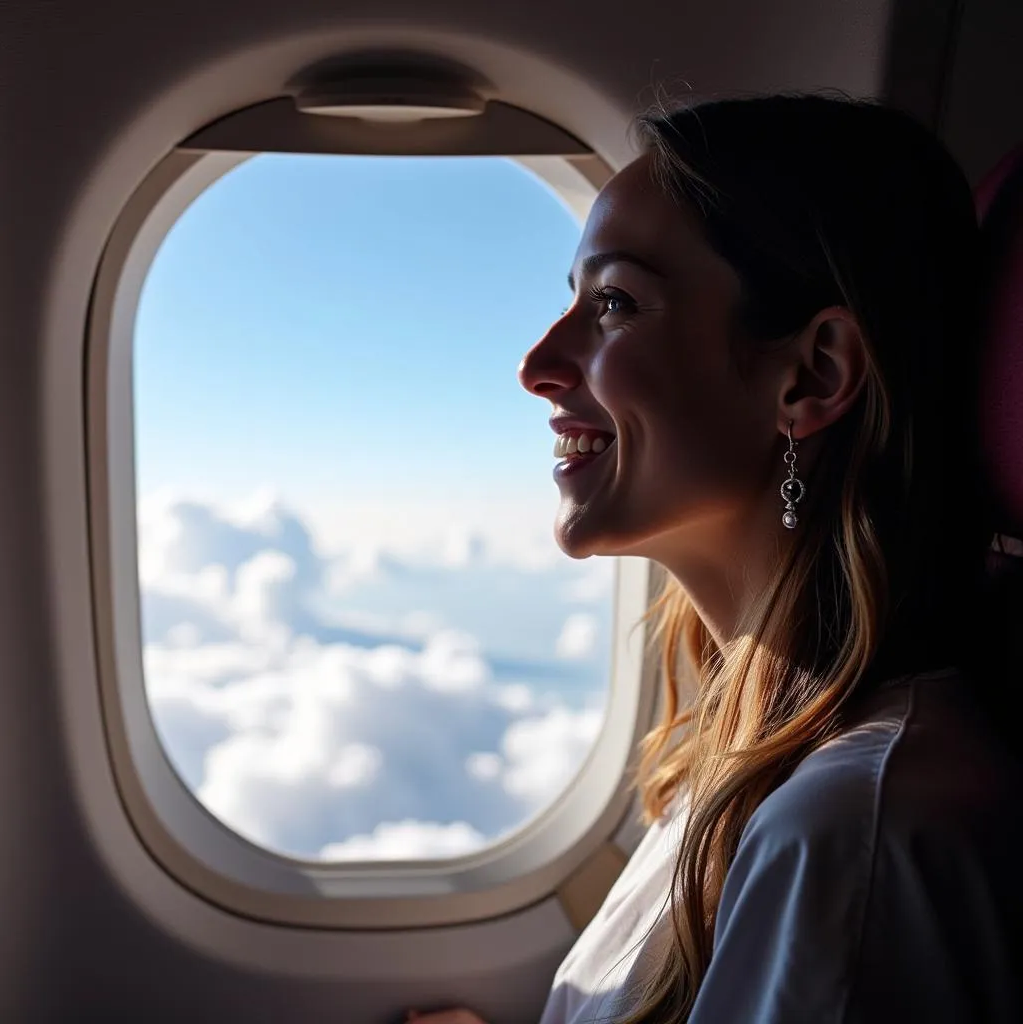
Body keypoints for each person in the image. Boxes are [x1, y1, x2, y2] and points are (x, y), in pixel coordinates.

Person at [406, 95, 1023, 1023]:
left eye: (613, 302)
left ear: (811, 375)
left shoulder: (850, 835)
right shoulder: (749, 750)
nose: (538, 362)